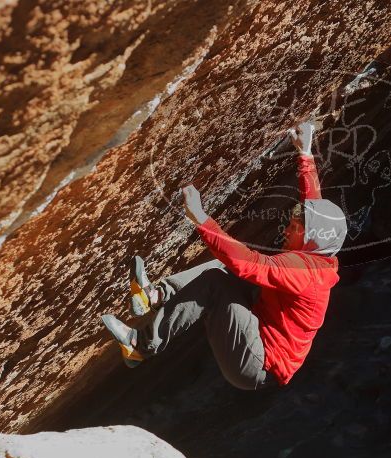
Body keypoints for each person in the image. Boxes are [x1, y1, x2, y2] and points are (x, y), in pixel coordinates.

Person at [101, 122, 348, 390]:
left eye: (295, 227)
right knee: (223, 268)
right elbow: (314, 206)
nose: (287, 228)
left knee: (216, 282)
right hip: (258, 333)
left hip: (257, 364)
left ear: (312, 237)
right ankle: (154, 296)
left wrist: (201, 218)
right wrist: (306, 154)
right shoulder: (318, 249)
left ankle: (140, 345)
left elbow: (248, 264)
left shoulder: (305, 271)